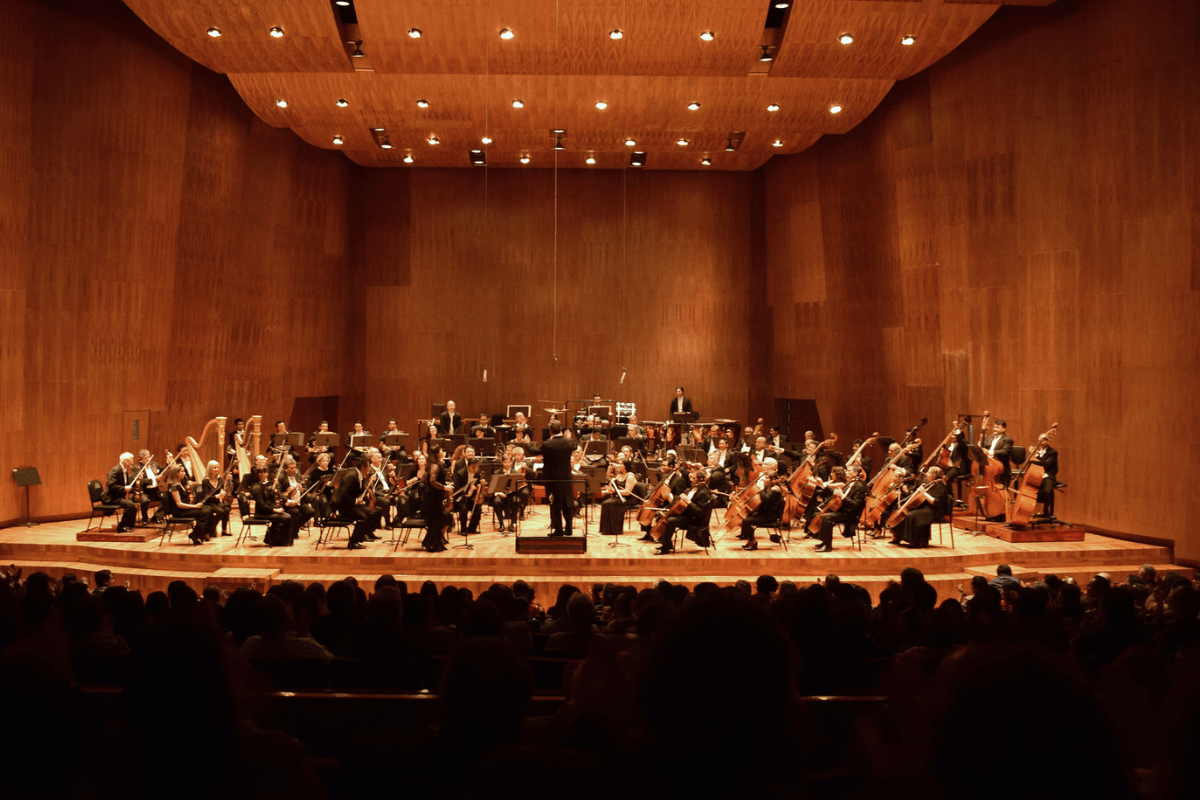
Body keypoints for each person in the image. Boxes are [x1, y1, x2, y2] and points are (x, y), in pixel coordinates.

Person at [890, 466, 951, 548]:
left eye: (929, 473)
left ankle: (914, 541)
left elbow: (935, 502)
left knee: (911, 515)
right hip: (926, 508)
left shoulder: (940, 486)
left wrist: (924, 493)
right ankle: (899, 536)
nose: (926, 474)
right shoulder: (930, 484)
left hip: (935, 511)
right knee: (906, 513)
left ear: (934, 475)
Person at [656, 469, 713, 555]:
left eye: (693, 478)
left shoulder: (703, 493)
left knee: (671, 520)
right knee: (662, 515)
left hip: (694, 519)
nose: (690, 479)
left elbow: (700, 512)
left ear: (700, 480)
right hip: (687, 515)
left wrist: (688, 502)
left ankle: (665, 548)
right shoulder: (694, 488)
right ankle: (667, 544)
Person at [159, 464, 218, 544]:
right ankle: (196, 534)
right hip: (179, 511)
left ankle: (201, 533)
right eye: (182, 471)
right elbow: (179, 504)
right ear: (177, 473)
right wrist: (195, 506)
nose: (184, 473)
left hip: (185, 509)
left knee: (209, 509)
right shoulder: (174, 487)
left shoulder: (181, 484)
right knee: (205, 512)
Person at [814, 464, 867, 553]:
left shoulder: (860, 487)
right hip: (843, 510)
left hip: (850, 514)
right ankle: (824, 542)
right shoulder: (850, 482)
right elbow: (835, 492)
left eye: (849, 471)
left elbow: (855, 505)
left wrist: (842, 496)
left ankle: (828, 546)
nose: (846, 472)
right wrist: (823, 486)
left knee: (827, 517)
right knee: (823, 515)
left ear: (855, 473)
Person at [331, 455, 378, 550]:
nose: (369, 469)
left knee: (373, 512)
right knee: (363, 517)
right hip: (344, 506)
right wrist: (355, 500)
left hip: (351, 504)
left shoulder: (360, 475)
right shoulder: (351, 476)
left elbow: (357, 492)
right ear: (363, 467)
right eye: (368, 467)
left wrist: (364, 496)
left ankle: (361, 536)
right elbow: (342, 495)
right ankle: (353, 542)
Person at [538, 419, 576, 537]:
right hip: (566, 478)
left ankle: (558, 530)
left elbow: (535, 451)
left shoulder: (548, 444)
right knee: (567, 503)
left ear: (550, 431)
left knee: (555, 504)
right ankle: (569, 529)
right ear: (561, 430)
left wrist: (528, 445)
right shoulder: (569, 442)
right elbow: (575, 445)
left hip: (553, 479)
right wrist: (568, 437)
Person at [739, 458, 784, 551]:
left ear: (773, 480)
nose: (765, 480)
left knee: (746, 521)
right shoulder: (770, 487)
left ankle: (753, 542)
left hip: (770, 516)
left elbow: (765, 499)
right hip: (764, 513)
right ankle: (750, 540)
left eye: (767, 478)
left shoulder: (775, 489)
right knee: (747, 515)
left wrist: (761, 489)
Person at [248, 466, 294, 547]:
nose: (267, 474)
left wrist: (274, 486)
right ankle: (275, 541)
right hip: (261, 514)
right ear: (260, 474)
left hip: (265, 511)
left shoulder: (262, 485)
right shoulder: (256, 487)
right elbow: (262, 506)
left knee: (287, 516)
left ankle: (274, 540)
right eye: (265, 472)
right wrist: (275, 510)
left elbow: (268, 497)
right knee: (286, 517)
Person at [275, 457, 316, 539]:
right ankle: (293, 531)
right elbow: (278, 493)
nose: (294, 470)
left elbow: (304, 487)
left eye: (295, 468)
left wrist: (302, 490)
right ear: (285, 469)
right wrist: (289, 501)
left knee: (311, 511)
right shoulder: (281, 477)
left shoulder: (297, 475)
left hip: (299, 502)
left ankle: (294, 528)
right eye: (291, 468)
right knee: (295, 511)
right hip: (286, 504)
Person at [599, 459, 639, 540]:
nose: (618, 466)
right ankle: (606, 529)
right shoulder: (619, 476)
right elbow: (612, 486)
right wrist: (607, 491)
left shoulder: (630, 476)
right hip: (620, 497)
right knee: (605, 503)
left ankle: (615, 530)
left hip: (628, 499)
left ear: (625, 466)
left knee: (610, 503)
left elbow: (627, 492)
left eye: (620, 464)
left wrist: (614, 491)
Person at [421, 448, 450, 552]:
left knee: (437, 521)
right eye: (441, 451)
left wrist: (445, 485)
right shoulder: (434, 465)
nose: (443, 452)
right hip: (432, 497)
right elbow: (432, 481)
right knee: (436, 521)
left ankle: (429, 543)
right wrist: (444, 488)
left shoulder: (435, 464)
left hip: (434, 496)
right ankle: (432, 545)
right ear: (436, 453)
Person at [102, 452, 139, 532]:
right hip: (111, 497)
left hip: (118, 496)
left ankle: (129, 525)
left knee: (133, 505)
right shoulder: (115, 470)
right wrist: (124, 489)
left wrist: (138, 478)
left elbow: (127, 483)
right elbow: (111, 486)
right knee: (130, 505)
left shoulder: (124, 470)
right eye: (131, 460)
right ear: (125, 461)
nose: (132, 462)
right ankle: (122, 527)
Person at [194, 460, 232, 536]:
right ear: (210, 469)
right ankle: (210, 529)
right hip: (209, 503)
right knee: (221, 511)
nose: (217, 469)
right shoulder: (205, 481)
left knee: (227, 509)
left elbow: (227, 490)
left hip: (217, 502)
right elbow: (206, 497)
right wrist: (216, 496)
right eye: (214, 468)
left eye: (217, 467)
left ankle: (223, 530)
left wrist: (228, 482)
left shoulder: (220, 479)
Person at [453, 457, 485, 534]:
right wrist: (469, 491)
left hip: (472, 498)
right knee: (463, 508)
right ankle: (463, 530)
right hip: (461, 498)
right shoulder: (459, 474)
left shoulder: (477, 473)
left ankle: (472, 528)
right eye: (473, 467)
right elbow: (457, 490)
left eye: (477, 467)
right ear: (468, 466)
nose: (475, 469)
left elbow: (479, 486)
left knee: (478, 508)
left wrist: (481, 486)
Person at [135, 449, 164, 525]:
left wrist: (168, 461)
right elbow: (141, 481)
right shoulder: (137, 467)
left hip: (155, 490)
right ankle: (144, 518)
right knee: (144, 501)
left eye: (149, 457)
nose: (148, 459)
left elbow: (164, 470)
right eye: (145, 458)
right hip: (144, 491)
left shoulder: (154, 465)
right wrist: (154, 479)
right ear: (140, 459)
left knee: (167, 497)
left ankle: (157, 516)